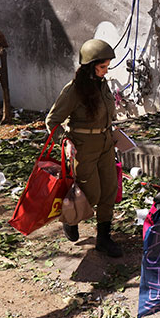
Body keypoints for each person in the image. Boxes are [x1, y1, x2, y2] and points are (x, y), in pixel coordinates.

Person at [46, 39, 122, 258]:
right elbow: (52, 121)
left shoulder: (103, 84)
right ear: (90, 66)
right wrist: (65, 141)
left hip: (106, 144)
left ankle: (104, 238)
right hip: (83, 148)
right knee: (91, 193)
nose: (105, 72)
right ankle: (70, 218)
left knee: (109, 191)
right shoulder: (74, 90)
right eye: (102, 67)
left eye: (107, 67)